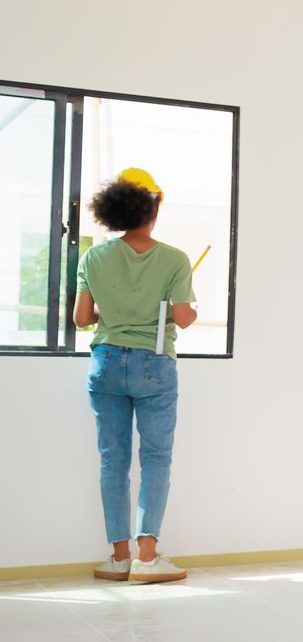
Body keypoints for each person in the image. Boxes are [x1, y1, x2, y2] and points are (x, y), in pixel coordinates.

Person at [74, 168, 195, 586]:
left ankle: (118, 558)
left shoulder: (93, 257)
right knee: (156, 458)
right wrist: (189, 310)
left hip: (105, 361)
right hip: (153, 364)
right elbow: (183, 318)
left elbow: (81, 319)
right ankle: (148, 557)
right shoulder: (175, 259)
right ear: (153, 208)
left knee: (113, 461)